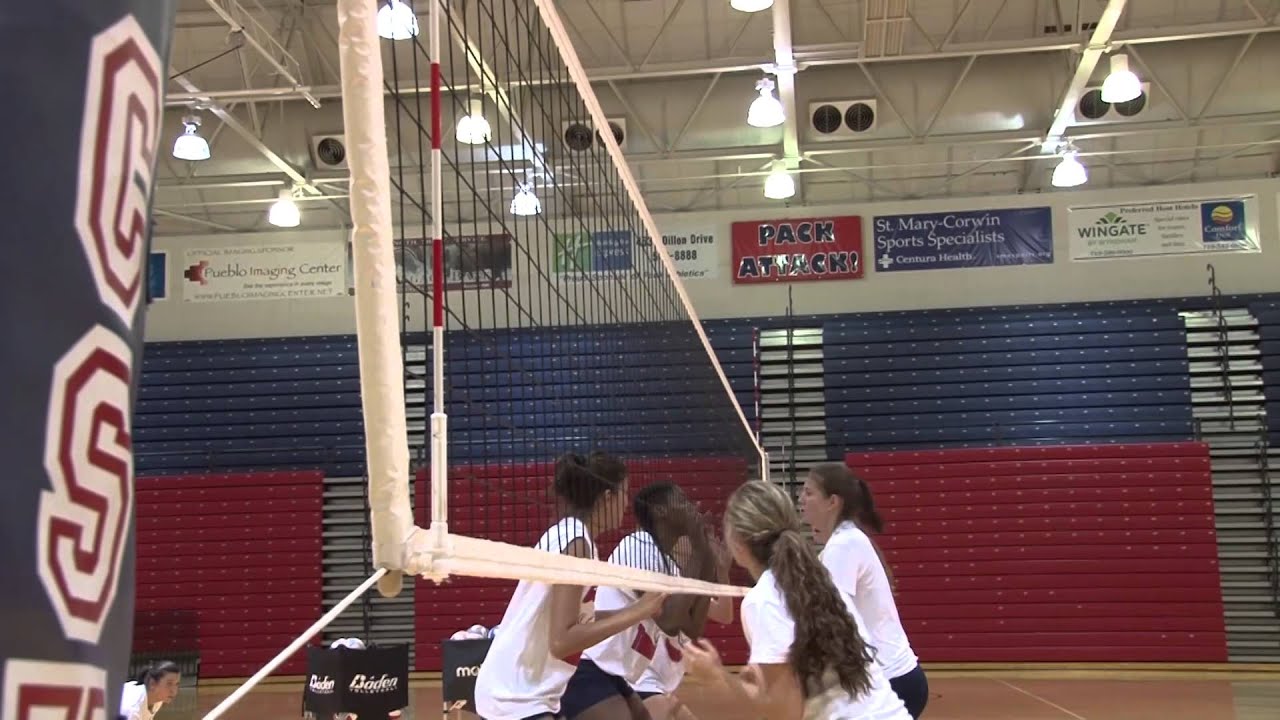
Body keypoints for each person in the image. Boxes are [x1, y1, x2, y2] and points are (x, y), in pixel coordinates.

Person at [684, 481, 910, 720]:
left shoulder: (763, 599)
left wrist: (716, 676)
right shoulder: (821, 580)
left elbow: (785, 713)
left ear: (738, 544)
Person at [475, 452, 666, 720]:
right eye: (624, 493)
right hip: (516, 693)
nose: (626, 503)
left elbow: (577, 619)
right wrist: (638, 611)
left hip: (522, 686)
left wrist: (638, 610)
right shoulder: (575, 544)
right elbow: (562, 641)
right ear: (607, 498)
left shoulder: (572, 535)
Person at [560, 483, 730, 720]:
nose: (692, 506)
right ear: (661, 511)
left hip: (621, 675)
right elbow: (669, 621)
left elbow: (692, 628)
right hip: (593, 666)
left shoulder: (669, 565)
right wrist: (700, 551)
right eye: (682, 501)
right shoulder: (638, 546)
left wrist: (707, 556)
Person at [801, 463, 928, 718]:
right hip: (894, 678)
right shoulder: (843, 542)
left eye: (809, 492)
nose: (801, 499)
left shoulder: (844, 545)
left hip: (890, 679)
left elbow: (835, 621)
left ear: (832, 502)